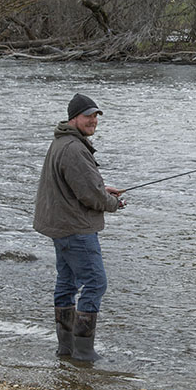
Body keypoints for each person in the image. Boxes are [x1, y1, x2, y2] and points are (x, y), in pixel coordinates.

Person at [33, 93, 124, 362]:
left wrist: (101, 189)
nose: (93, 120)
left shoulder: (62, 142)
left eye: (96, 115)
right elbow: (90, 196)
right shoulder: (74, 148)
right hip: (75, 227)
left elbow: (77, 185)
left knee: (67, 283)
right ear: (74, 117)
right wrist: (113, 203)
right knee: (95, 283)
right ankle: (84, 352)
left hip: (61, 225)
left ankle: (66, 348)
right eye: (88, 115)